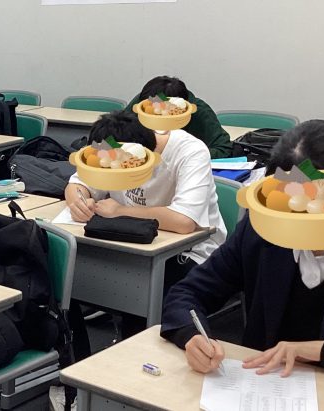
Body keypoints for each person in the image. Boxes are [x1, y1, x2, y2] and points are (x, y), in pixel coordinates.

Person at [161, 120, 324, 394]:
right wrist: (191, 335)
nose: (301, 217)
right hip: (264, 390)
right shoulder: (261, 232)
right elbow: (187, 293)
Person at [65, 110, 227, 337]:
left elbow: (185, 221)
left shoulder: (190, 151)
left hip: (190, 251)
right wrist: (78, 201)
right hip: (131, 245)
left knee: (143, 299)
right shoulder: (114, 147)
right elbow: (77, 184)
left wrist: (120, 211)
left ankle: (139, 349)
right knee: (68, 276)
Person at [126, 76, 232, 159]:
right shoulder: (144, 103)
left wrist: (185, 155)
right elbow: (117, 133)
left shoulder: (199, 111)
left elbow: (223, 149)